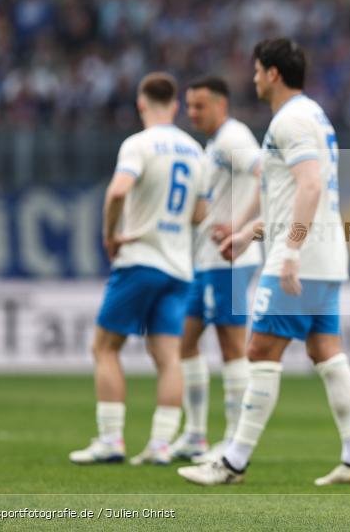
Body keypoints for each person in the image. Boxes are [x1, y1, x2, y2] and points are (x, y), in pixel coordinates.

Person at [177, 38, 350, 487]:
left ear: (274, 74)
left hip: (300, 256)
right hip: (326, 256)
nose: (255, 78)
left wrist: (292, 251)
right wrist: (248, 233)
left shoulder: (292, 120)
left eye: (258, 70)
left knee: (259, 350)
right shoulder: (312, 116)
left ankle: (233, 462)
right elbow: (288, 196)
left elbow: (309, 188)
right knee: (326, 350)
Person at [69, 72, 208, 466]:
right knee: (168, 355)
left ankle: (111, 439)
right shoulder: (194, 149)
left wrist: (110, 234)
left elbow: (117, 191)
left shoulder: (139, 144)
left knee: (105, 346)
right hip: (179, 266)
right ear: (177, 106)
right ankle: (161, 445)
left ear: (141, 104)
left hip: (140, 259)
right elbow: (200, 213)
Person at [170, 76, 263, 464]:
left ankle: (231, 439)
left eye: (200, 106)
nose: (193, 113)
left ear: (221, 104)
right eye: (189, 106)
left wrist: (239, 227)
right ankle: (194, 434)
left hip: (230, 261)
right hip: (207, 261)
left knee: (230, 347)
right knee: (186, 343)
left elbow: (265, 175)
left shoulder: (233, 137)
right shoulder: (214, 146)